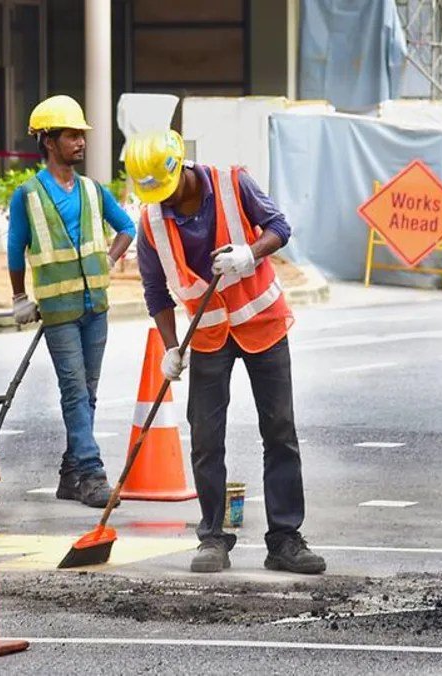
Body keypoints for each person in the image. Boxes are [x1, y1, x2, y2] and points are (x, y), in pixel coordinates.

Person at [123, 130, 325, 575]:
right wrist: (171, 348)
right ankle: (212, 538)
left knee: (280, 431)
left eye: (167, 188)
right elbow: (156, 290)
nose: (165, 200)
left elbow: (280, 228)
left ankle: (285, 539)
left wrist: (250, 255)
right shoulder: (152, 220)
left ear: (181, 168)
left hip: (263, 326)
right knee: (206, 439)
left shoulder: (235, 184)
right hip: (210, 336)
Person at [8, 95, 135, 508]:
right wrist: (19, 298)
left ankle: (70, 475)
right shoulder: (27, 195)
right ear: (48, 141)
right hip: (59, 312)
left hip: (96, 307)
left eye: (82, 135)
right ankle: (93, 473)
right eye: (71, 135)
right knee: (75, 392)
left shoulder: (92, 190)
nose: (81, 142)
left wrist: (110, 260)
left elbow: (127, 227)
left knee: (88, 392)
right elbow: (15, 250)